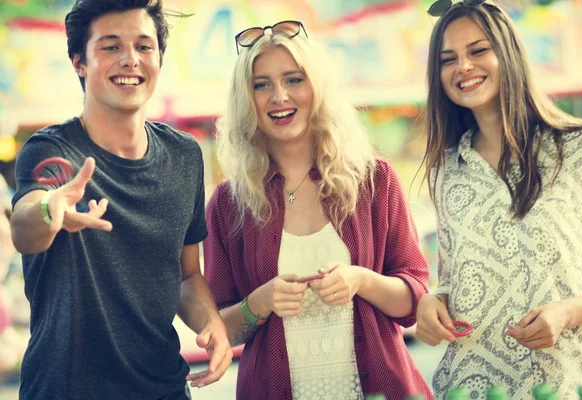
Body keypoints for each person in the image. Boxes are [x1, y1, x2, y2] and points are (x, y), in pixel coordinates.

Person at [199, 20, 432, 400]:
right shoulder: (228, 204)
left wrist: (360, 280)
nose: (279, 96)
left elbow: (417, 299)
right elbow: (219, 329)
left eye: (294, 79)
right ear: (246, 99)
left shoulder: (374, 180)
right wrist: (260, 302)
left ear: (317, 89)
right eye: (261, 85)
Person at [10, 1, 232, 399]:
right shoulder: (53, 151)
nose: (130, 60)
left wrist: (210, 322)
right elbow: (26, 229)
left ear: (159, 60)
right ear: (79, 62)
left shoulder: (184, 156)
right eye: (110, 47)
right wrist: (50, 210)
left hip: (162, 387)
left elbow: (186, 275)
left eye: (144, 47)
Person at [416, 1, 582, 398]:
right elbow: (454, 279)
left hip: (568, 383)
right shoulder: (444, 170)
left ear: (509, 54)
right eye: (448, 59)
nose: (463, 66)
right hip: (473, 385)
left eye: (478, 51)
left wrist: (566, 313)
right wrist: (433, 301)